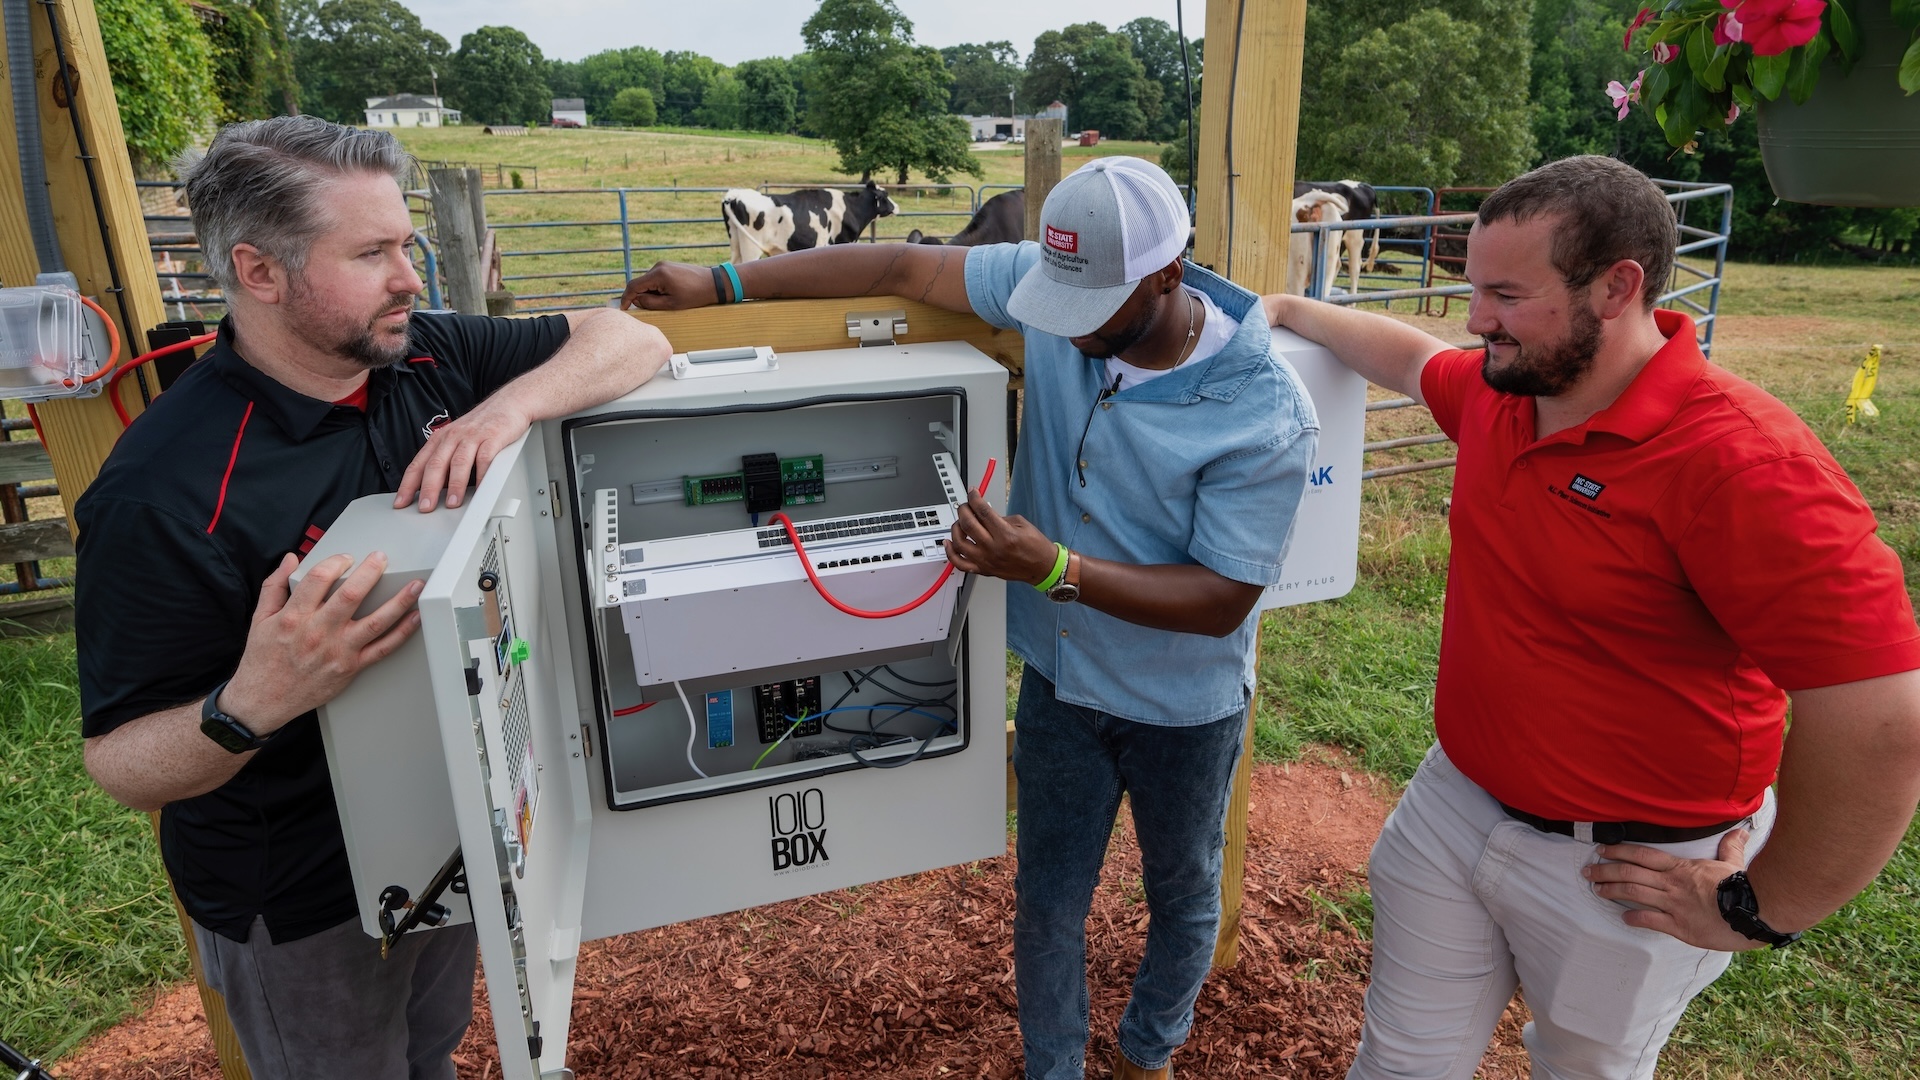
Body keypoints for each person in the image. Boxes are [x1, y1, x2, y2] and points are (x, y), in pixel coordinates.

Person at [623, 157, 1317, 1080]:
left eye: (1093, 315)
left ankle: (1149, 1051)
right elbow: (901, 269)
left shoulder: (1261, 408)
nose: (1067, 335)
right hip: (1064, 682)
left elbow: (1223, 597)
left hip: (1182, 705)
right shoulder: (1060, 288)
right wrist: (724, 281)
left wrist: (1053, 569)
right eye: (1057, 306)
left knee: (1183, 890)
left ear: (1165, 275)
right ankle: (1054, 1067)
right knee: (1046, 902)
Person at [1264, 155, 1920, 1079]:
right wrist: (1289, 311)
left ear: (1618, 287)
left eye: (1504, 293)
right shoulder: (1507, 390)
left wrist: (1759, 909)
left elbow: (1881, 723)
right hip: (1456, 806)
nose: (1474, 318)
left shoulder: (1746, 466)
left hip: (1633, 871)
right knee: (1400, 1064)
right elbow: (1409, 358)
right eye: (1472, 287)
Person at [76, 115, 670, 1080]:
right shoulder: (168, 491)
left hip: (452, 830)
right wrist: (257, 698)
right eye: (371, 253)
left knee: (428, 1052)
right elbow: (118, 765)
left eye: (408, 244)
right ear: (259, 272)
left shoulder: (426, 356)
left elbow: (630, 335)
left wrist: (506, 406)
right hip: (304, 899)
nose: (411, 278)